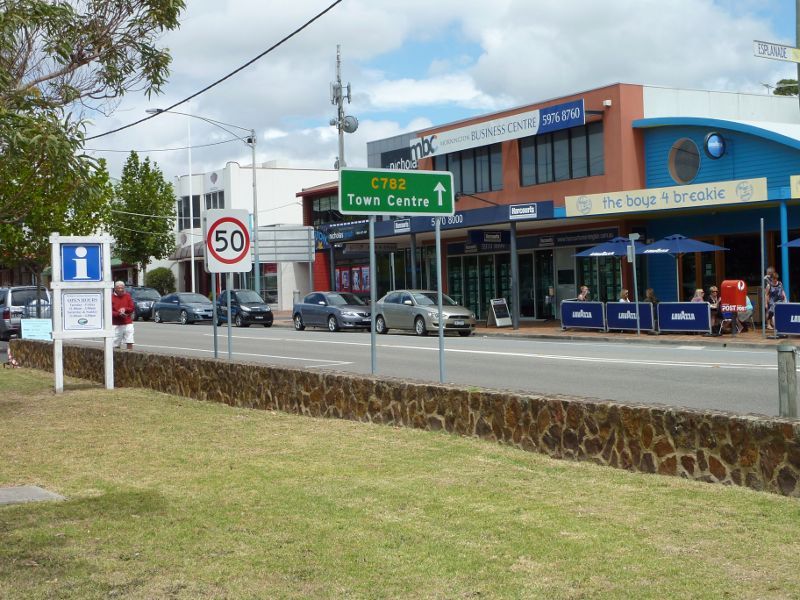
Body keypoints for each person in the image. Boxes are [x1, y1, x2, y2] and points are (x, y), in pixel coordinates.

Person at [112, 281, 135, 350]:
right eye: (118, 288)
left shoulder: (127, 296)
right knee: (115, 343)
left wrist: (125, 309)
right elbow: (109, 311)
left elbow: (132, 308)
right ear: (115, 288)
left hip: (127, 322)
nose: (120, 289)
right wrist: (118, 313)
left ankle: (130, 355)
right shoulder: (111, 297)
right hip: (116, 323)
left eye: (122, 288)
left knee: (129, 340)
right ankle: (115, 356)